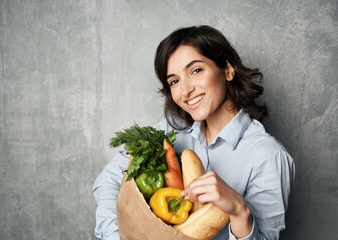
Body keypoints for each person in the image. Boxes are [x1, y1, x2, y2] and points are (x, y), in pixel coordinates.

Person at [92, 25, 295, 240]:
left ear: (227, 69)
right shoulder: (172, 130)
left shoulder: (269, 157)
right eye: (174, 81)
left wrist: (239, 211)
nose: (185, 90)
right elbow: (109, 179)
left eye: (196, 70)